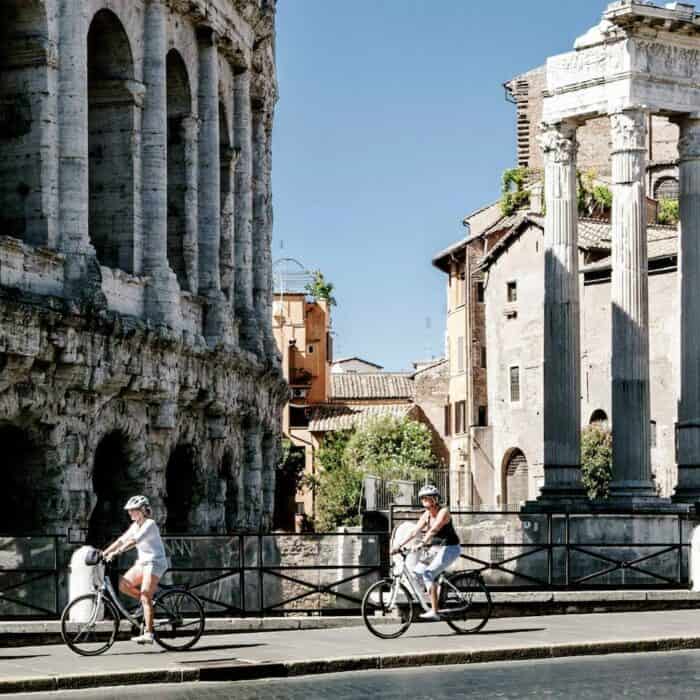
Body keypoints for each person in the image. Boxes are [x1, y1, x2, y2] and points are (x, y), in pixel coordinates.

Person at [102, 495, 168, 644]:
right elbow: (121, 540)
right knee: (124, 585)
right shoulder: (135, 525)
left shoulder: (149, 524)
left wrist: (116, 553)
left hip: (155, 562)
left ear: (143, 510)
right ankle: (147, 605)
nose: (130, 513)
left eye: (133, 510)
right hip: (143, 562)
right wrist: (104, 553)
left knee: (145, 595)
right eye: (129, 511)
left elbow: (134, 541)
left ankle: (149, 633)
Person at [390, 484, 461, 621]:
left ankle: (434, 611)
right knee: (417, 573)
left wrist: (422, 543)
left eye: (427, 498)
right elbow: (414, 531)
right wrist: (399, 545)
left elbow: (434, 529)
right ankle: (434, 593)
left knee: (428, 574)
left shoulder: (443, 512)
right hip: (435, 549)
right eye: (423, 499)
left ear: (435, 499)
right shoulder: (426, 515)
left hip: (450, 548)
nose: (425, 502)